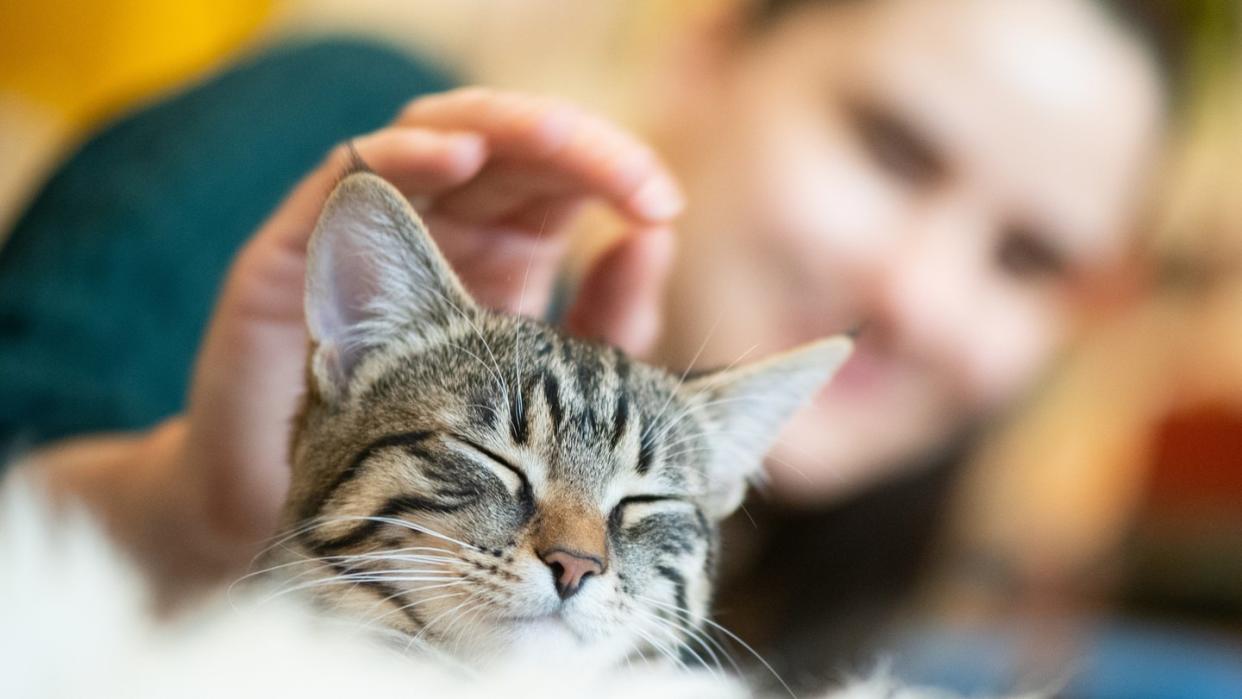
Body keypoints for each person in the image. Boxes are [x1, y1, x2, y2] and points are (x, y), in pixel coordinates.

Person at [4, 0, 1171, 688]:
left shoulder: (844, 578)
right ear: (707, 52)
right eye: (894, 148)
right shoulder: (354, 129)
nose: (916, 291)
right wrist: (184, 503)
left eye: (1027, 258)